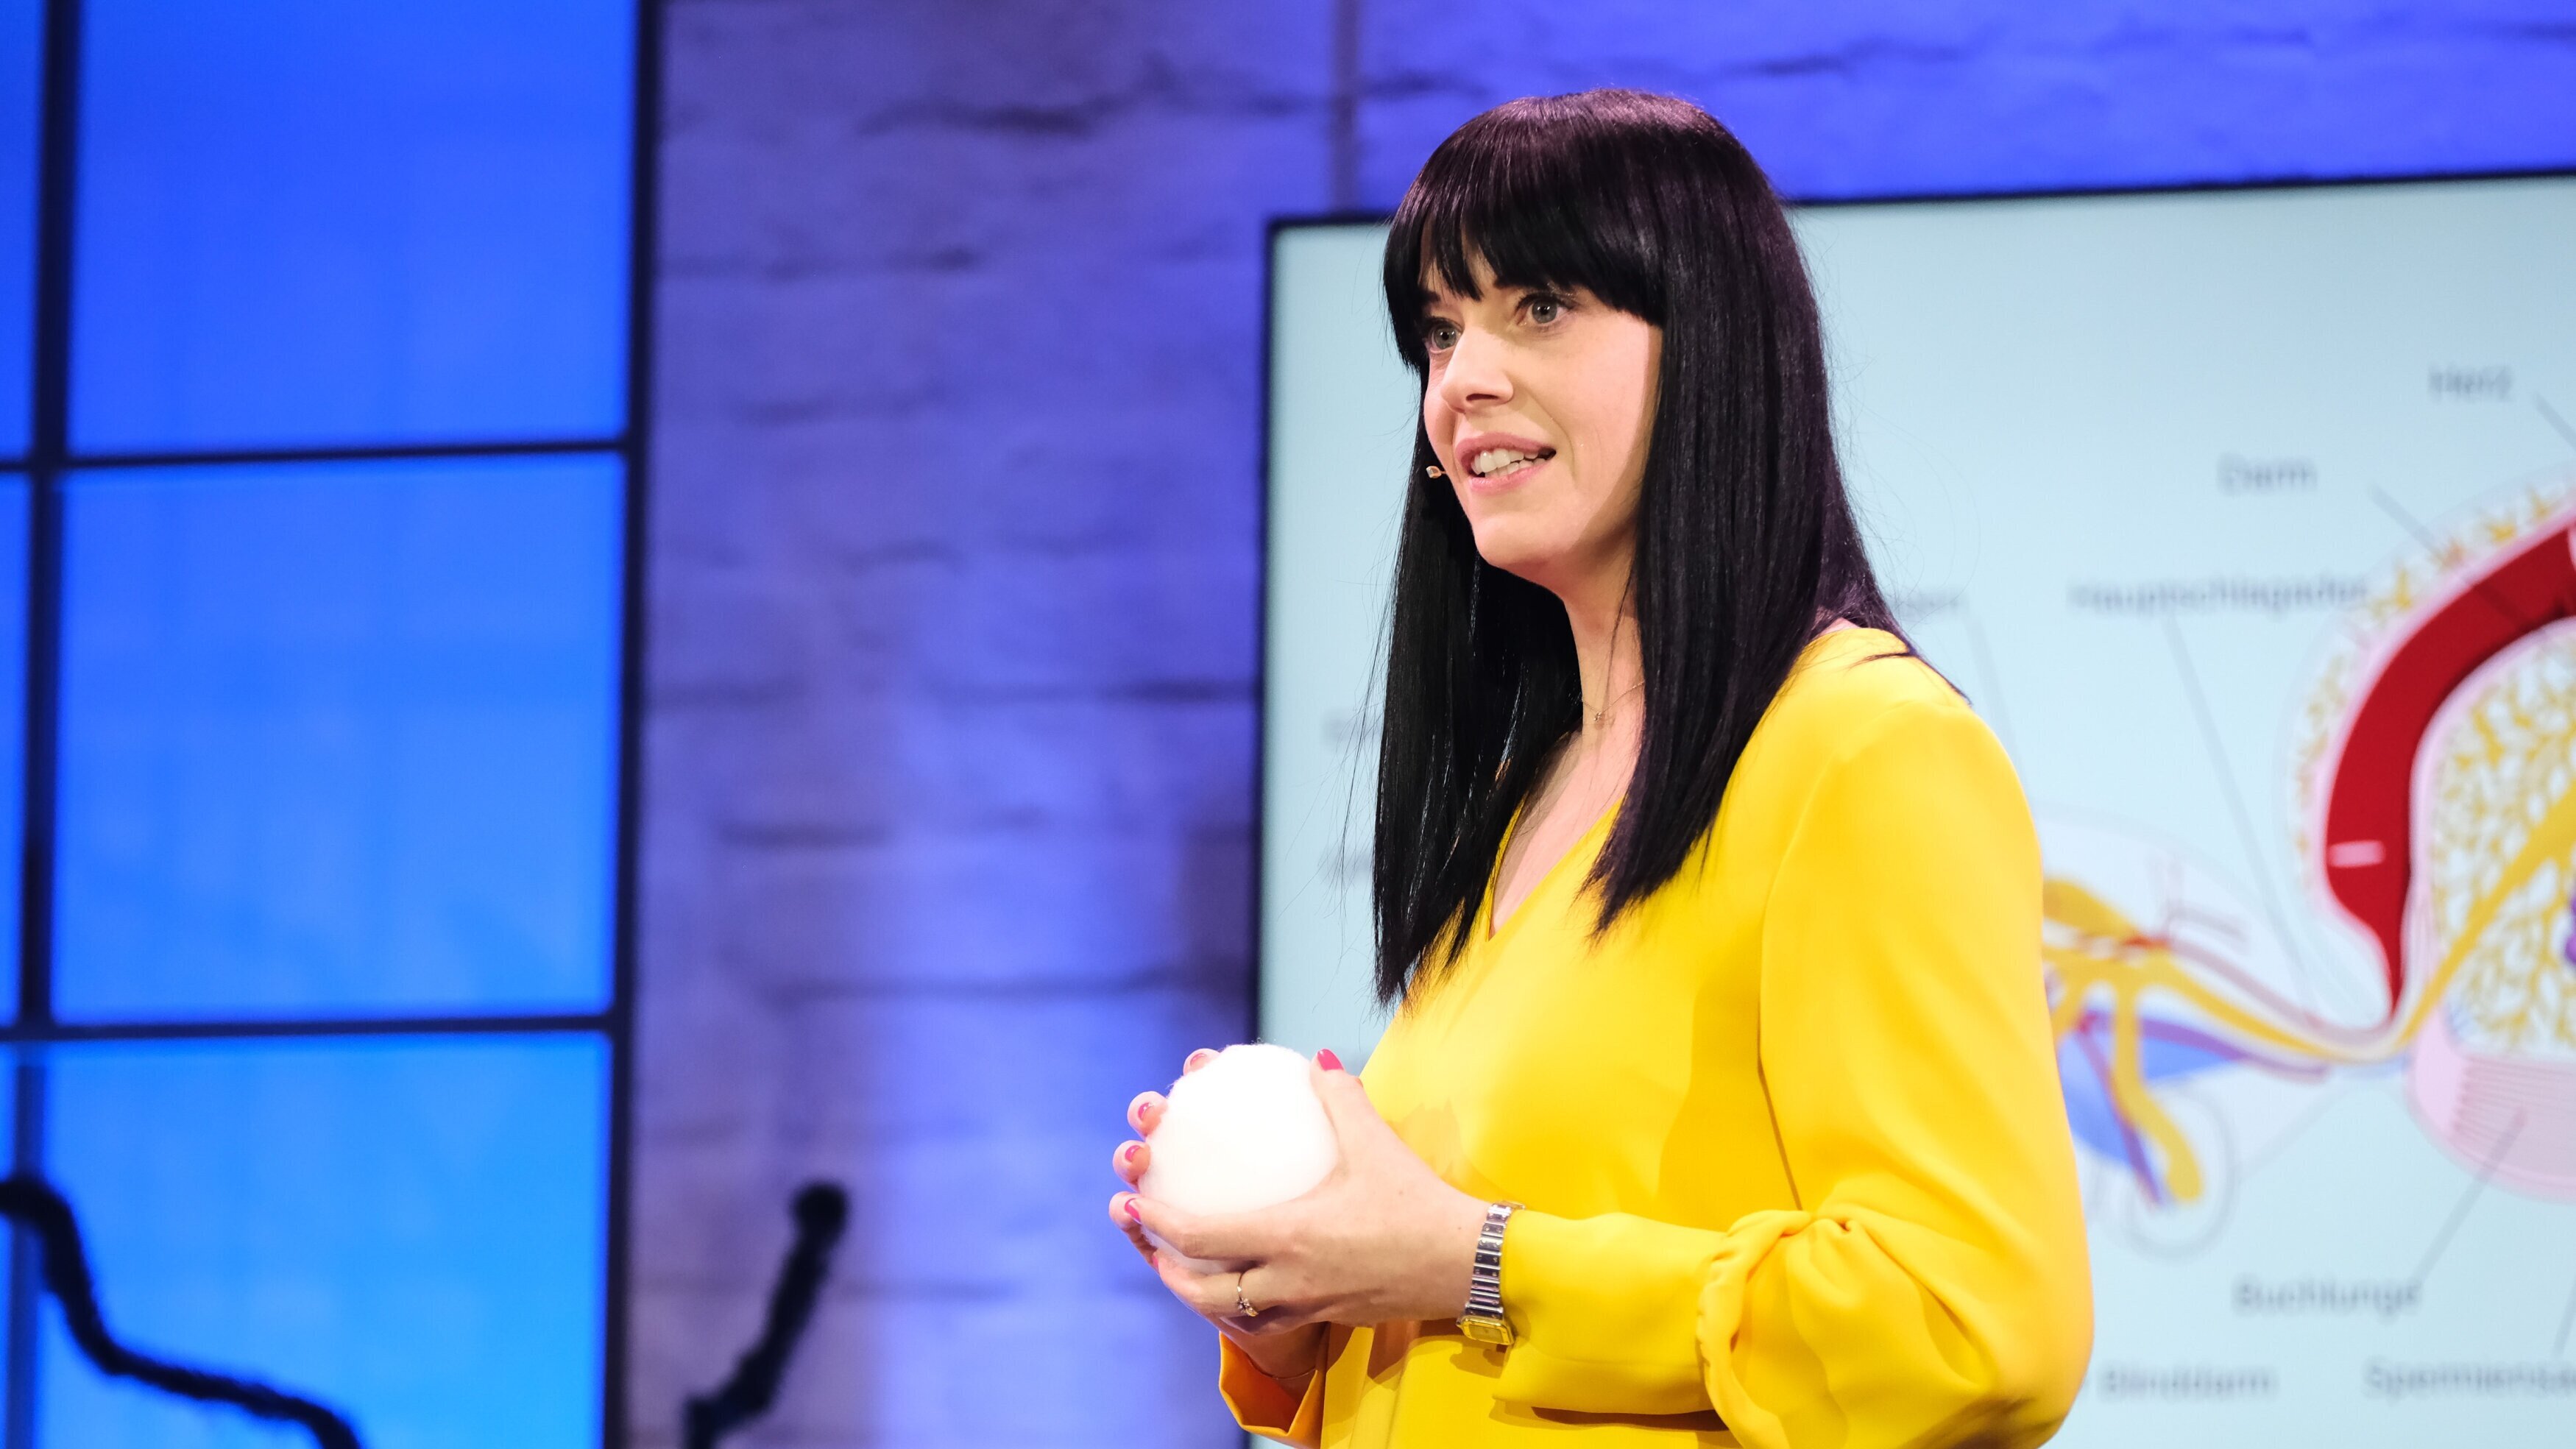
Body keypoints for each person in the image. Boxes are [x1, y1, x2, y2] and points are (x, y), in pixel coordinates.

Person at [1108, 89, 2091, 1448]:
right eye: (1440, 329)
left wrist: (1476, 1262)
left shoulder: (1864, 748)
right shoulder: (1520, 795)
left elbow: (1974, 1321)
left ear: (1715, 352)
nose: (1463, 378)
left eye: (1540, 307)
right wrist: (1297, 1300)